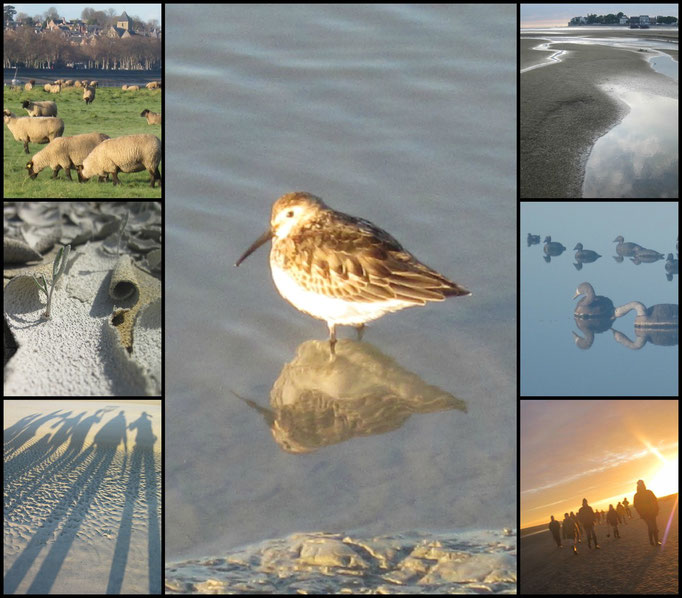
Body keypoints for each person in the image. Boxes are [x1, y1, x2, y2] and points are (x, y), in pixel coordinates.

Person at [634, 479, 661, 546]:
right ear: (638, 485)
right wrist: (641, 513)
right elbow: (636, 506)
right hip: (645, 515)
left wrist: (656, 510)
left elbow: (655, 501)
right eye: (640, 484)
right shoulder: (637, 495)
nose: (641, 485)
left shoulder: (649, 492)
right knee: (651, 527)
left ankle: (656, 541)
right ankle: (651, 541)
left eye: (642, 484)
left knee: (654, 526)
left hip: (652, 513)